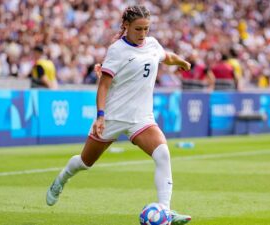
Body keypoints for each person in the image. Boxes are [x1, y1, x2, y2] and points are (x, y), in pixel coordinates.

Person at [45, 5, 192, 225]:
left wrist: (181, 62)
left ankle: (165, 212)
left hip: (141, 118)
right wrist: (101, 116)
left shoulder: (151, 44)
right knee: (85, 162)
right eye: (138, 29)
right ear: (126, 26)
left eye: (146, 29)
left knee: (163, 154)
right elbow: (103, 86)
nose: (143, 34)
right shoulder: (117, 50)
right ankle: (61, 179)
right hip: (114, 116)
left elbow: (165, 56)